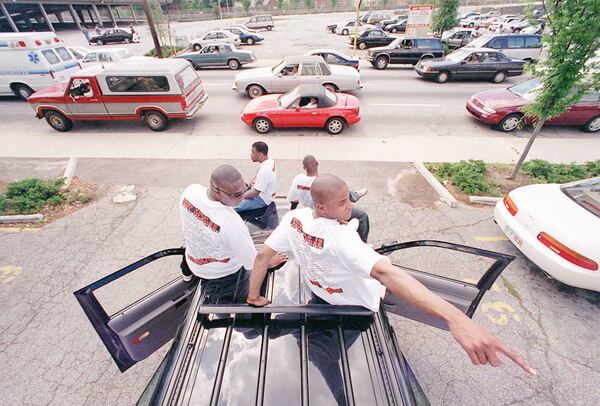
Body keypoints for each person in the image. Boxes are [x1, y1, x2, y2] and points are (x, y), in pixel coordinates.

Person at [246, 174, 536, 375]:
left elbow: (262, 256)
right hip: (356, 307)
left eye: (349, 199)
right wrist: (456, 317)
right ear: (321, 206)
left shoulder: (295, 219)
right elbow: (388, 272)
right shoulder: (342, 239)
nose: (350, 206)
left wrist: (254, 296)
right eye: (343, 202)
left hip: (319, 292)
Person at [178, 165, 286, 300]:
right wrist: (269, 262)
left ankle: (186, 276)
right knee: (232, 313)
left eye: (245, 189)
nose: (243, 197)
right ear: (217, 191)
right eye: (237, 195)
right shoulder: (231, 222)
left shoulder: (190, 191)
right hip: (222, 278)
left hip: (193, 261)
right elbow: (252, 262)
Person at [287, 155, 370, 242]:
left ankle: (352, 195)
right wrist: (339, 220)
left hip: (311, 208)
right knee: (362, 216)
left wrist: (291, 214)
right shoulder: (320, 183)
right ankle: (362, 243)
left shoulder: (298, 179)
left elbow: (293, 200)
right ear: (317, 164)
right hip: (325, 211)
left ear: (304, 167)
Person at [235, 141, 276, 216]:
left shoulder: (265, 170)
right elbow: (256, 176)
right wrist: (246, 187)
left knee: (232, 206)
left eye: (253, 153)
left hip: (261, 199)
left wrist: (238, 197)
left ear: (260, 155)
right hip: (258, 192)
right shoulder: (269, 160)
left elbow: (254, 194)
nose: (251, 154)